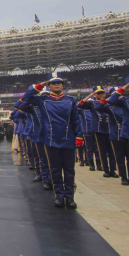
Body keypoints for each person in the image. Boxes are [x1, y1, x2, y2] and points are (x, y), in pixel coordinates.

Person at [22, 72, 83, 209]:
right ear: (48, 86)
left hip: (68, 138)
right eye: (53, 83)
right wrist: (39, 86)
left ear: (62, 85)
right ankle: (59, 196)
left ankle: (70, 197)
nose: (56, 84)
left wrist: (79, 136)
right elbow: (25, 98)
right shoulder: (43, 100)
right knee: (55, 169)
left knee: (69, 170)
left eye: (59, 82)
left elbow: (76, 120)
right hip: (50, 139)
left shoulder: (70, 100)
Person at [96, 87, 129, 186]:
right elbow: (98, 107)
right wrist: (108, 99)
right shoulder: (110, 107)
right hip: (116, 135)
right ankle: (123, 177)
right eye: (117, 94)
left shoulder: (127, 104)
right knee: (120, 157)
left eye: (121, 94)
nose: (120, 96)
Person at [79, 86, 117, 178]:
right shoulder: (92, 103)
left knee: (112, 151)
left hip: (109, 128)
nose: (100, 95)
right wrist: (90, 95)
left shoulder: (109, 101)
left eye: (102, 93)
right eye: (98, 93)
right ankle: (106, 169)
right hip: (99, 129)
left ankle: (113, 170)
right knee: (101, 150)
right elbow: (80, 105)